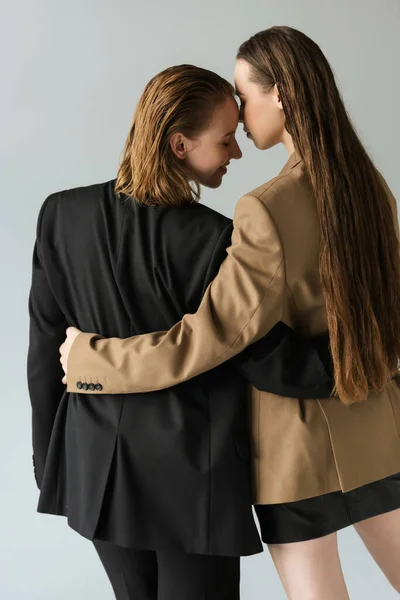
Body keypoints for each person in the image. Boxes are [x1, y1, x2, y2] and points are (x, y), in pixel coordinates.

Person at [61, 26, 400, 600]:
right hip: (379, 424)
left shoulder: (263, 208)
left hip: (298, 454)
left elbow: (210, 338)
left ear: (283, 97)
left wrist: (94, 359)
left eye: (244, 96)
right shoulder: (370, 187)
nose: (239, 116)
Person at [28, 64, 332, 600]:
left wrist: (49, 461)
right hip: (191, 479)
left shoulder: (60, 214)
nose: (237, 153)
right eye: (226, 140)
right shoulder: (214, 239)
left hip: (93, 469)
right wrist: (355, 360)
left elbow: (43, 354)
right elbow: (262, 357)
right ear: (179, 144)